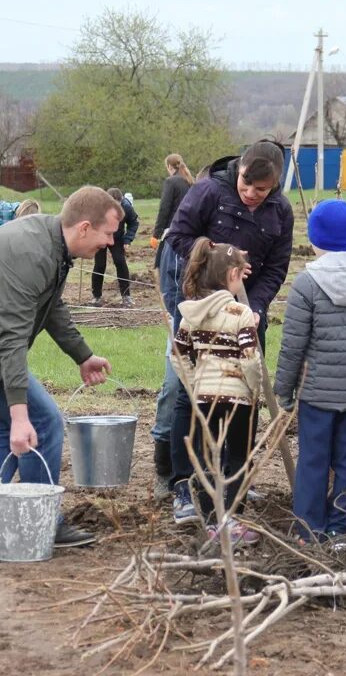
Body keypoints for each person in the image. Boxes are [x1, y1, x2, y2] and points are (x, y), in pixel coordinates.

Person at [0, 185, 121, 549]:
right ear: (83, 228)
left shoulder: (53, 244)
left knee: (6, 433)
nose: (110, 243)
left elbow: (52, 307)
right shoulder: (32, 252)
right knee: (41, 423)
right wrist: (20, 414)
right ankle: (40, 523)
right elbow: (10, 335)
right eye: (108, 234)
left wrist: (83, 355)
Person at [160, 141, 295, 523]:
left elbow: (277, 267)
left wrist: (255, 308)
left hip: (246, 315)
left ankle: (236, 478)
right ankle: (184, 485)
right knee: (185, 392)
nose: (251, 194)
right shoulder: (208, 191)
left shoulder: (280, 211)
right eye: (246, 185)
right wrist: (214, 253)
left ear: (274, 185)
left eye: (260, 190)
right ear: (239, 171)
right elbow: (177, 236)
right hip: (202, 310)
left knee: (246, 393)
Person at [275, 200, 346, 544]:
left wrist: (284, 389)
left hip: (317, 393)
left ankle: (309, 529)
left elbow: (293, 345)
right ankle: (339, 527)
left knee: (313, 459)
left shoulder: (307, 285)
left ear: (314, 238)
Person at [170, 238, 263, 546]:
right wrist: (254, 389)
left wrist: (195, 382)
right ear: (234, 275)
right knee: (239, 458)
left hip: (204, 398)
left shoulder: (190, 314)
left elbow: (178, 355)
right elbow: (250, 359)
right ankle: (233, 522)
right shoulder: (241, 314)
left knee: (208, 458)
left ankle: (212, 522)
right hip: (238, 399)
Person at [148, 154, 196, 498]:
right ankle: (164, 468)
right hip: (179, 324)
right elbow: (167, 291)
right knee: (172, 390)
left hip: (213, 326)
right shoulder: (172, 244)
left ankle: (205, 467)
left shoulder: (214, 243)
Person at [90, 187, 139, 307]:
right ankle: (96, 296)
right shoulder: (99, 207)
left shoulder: (126, 207)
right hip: (101, 237)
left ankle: (126, 296)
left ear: (121, 201)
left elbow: (133, 222)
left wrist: (127, 239)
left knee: (120, 262)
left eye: (118, 204)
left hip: (117, 238)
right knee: (100, 265)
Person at [151, 153, 195, 268]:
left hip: (172, 230)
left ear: (170, 167)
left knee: (162, 264)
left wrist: (156, 234)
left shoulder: (171, 182)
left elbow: (164, 208)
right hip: (190, 229)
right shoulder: (192, 182)